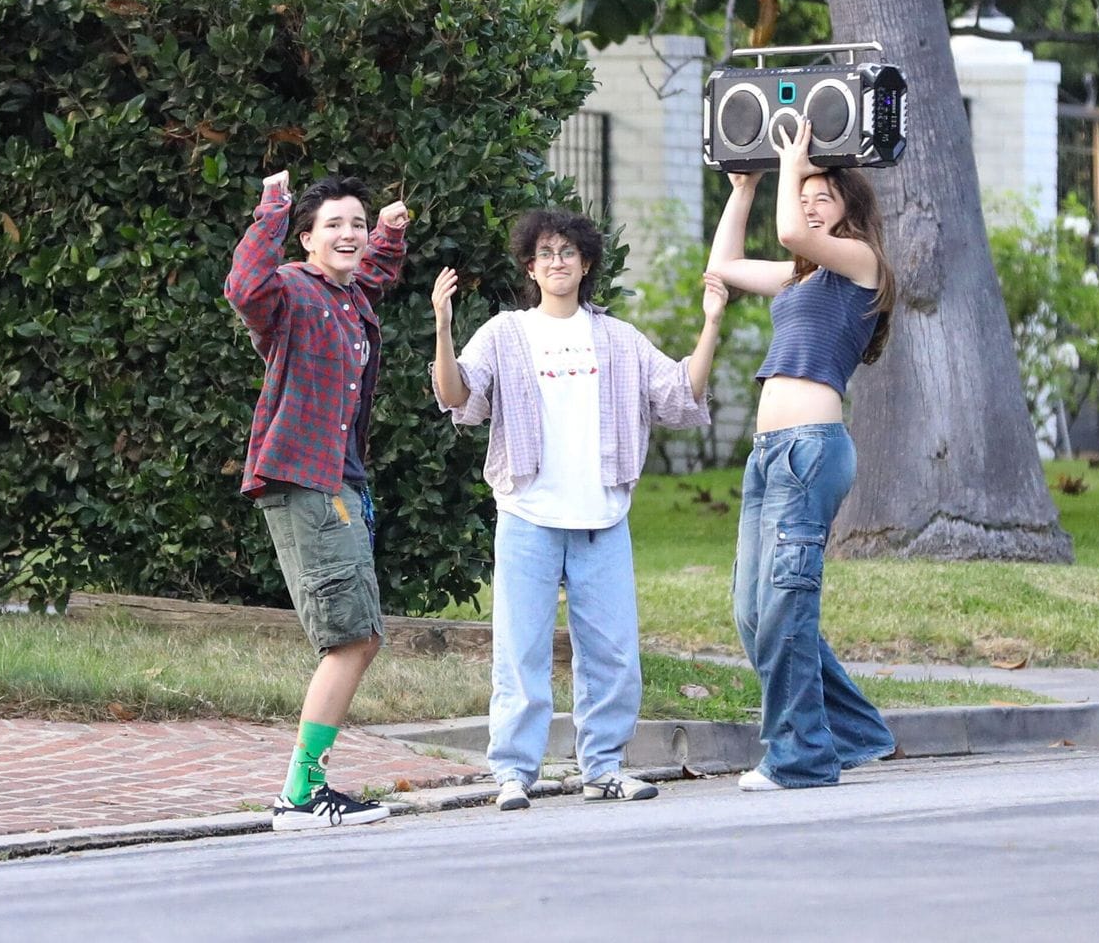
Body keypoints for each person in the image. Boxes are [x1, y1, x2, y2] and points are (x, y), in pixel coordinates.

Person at [431, 208, 729, 810]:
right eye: (545, 253)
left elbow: (679, 394)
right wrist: (442, 324)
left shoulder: (616, 337)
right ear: (530, 268)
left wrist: (712, 323)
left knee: (614, 653)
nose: (557, 262)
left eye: (568, 252)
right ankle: (513, 773)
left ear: (586, 263)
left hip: (602, 519)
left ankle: (604, 767)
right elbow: (456, 394)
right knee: (521, 651)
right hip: (528, 516)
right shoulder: (505, 332)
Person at [706, 115, 897, 791]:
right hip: (769, 454)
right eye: (806, 190)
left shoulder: (863, 265)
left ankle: (801, 755)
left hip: (809, 452)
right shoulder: (799, 280)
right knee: (755, 610)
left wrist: (793, 159)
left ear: (851, 206)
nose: (811, 200)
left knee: (787, 602)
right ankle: (853, 730)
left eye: (824, 192)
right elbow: (721, 267)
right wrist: (747, 187)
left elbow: (794, 232)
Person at [225, 168, 409, 830]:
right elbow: (243, 285)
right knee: (350, 637)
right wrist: (271, 204)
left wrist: (387, 230)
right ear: (304, 238)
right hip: (307, 480)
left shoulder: (348, 294)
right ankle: (300, 793)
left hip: (342, 483)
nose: (348, 234)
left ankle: (306, 787)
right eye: (333, 224)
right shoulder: (290, 294)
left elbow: (376, 270)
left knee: (360, 635)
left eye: (354, 224)